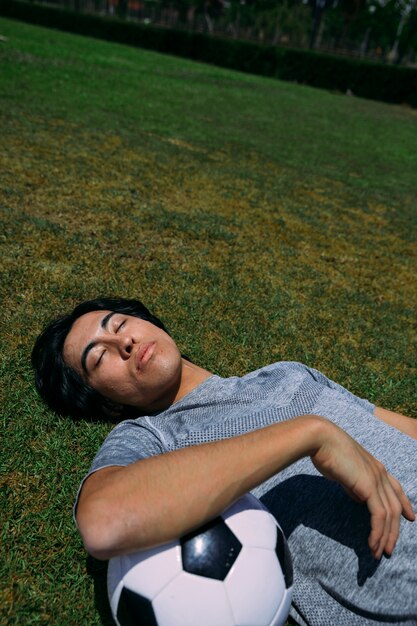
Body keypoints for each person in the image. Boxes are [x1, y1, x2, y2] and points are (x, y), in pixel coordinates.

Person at [32, 297, 417, 626]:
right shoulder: (155, 437)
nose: (125, 342)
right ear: (107, 402)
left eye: (119, 324)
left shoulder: (287, 373)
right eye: (100, 358)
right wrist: (311, 434)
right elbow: (104, 521)